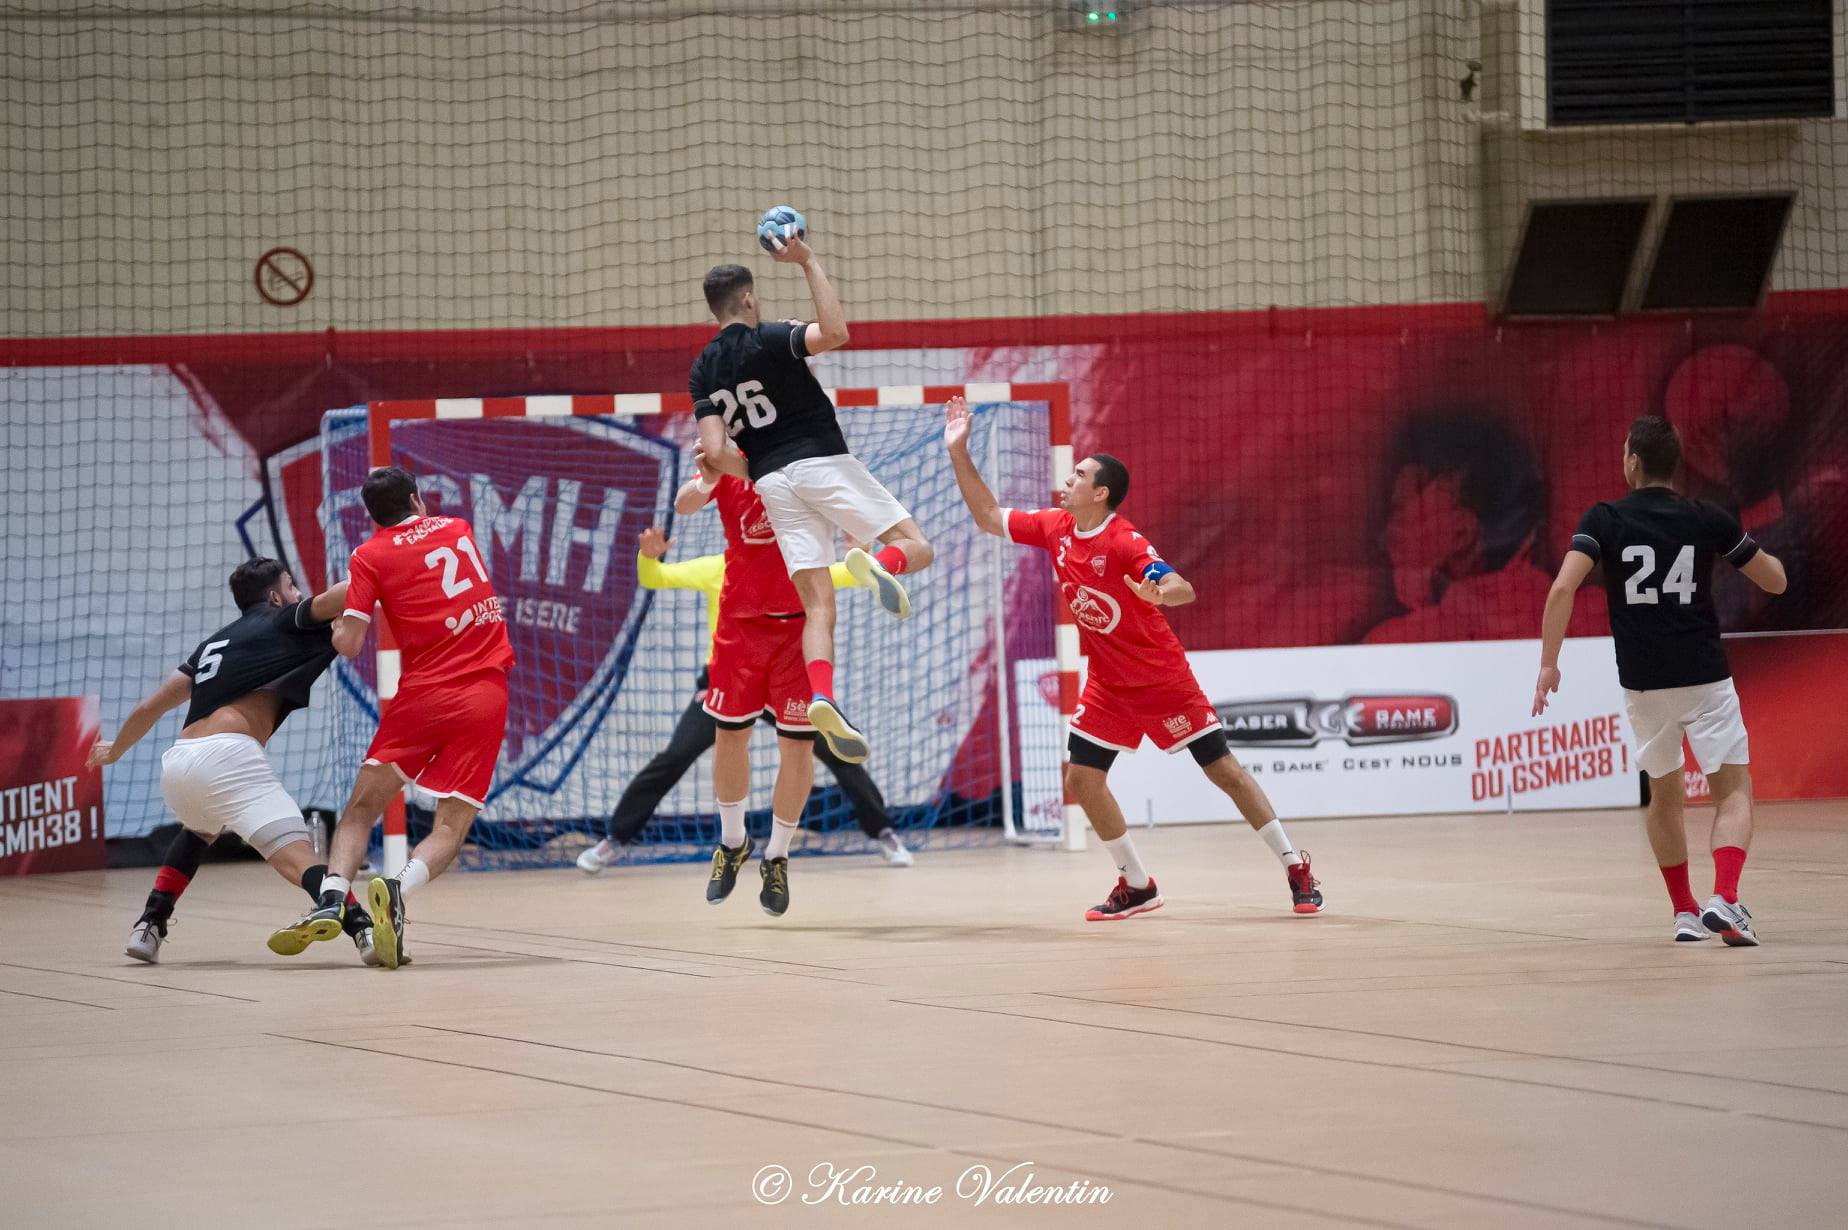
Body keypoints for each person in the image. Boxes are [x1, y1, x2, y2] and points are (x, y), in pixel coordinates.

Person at [943, 396, 1323, 920]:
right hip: (1108, 685)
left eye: (1079, 475)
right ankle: (1138, 884)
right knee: (1081, 779)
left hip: (1162, 678)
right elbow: (988, 517)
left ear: (1099, 493)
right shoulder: (1056, 529)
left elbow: (1180, 586)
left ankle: (1294, 865)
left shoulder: (1125, 542)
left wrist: (1161, 595)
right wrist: (958, 452)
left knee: (1225, 773)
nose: (1069, 479)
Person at [1534, 415, 1786, 946]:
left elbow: (1561, 590)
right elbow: (1776, 580)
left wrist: (1549, 665)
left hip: (1643, 682)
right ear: (1675, 465)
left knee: (1663, 795)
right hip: (1703, 675)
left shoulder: (1603, 519)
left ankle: (1685, 912)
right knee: (1733, 791)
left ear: (1632, 461)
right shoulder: (1704, 517)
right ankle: (1727, 899)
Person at [689, 229, 933, 764]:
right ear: (749, 298)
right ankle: (879, 562)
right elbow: (837, 331)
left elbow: (714, 454)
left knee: (818, 605)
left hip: (771, 484)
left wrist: (761, 465)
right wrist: (807, 261)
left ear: (713, 310)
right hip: (821, 460)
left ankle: (822, 696)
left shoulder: (702, 368)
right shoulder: (771, 337)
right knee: (916, 546)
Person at [279, 466, 514, 969]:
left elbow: (351, 643)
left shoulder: (369, 555)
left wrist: (338, 621)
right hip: (485, 694)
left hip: (421, 699)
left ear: (373, 516)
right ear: (416, 499)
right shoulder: (458, 528)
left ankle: (333, 896)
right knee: (451, 826)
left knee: (362, 808)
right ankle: (398, 887)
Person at [575, 527, 913, 875]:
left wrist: (862, 554)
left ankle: (884, 832)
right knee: (676, 755)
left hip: (786, 681)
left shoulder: (804, 570)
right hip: (730, 680)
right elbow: (656, 577)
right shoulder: (716, 568)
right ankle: (614, 839)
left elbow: (856, 576)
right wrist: (648, 555)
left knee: (839, 751)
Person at [87, 559, 376, 964]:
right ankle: (364, 929)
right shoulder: (285, 619)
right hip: (229, 759)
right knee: (301, 860)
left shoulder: (211, 646)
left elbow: (152, 705)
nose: (297, 594)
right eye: (292, 586)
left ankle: (149, 924)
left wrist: (115, 749)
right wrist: (388, 568)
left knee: (199, 829)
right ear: (275, 596)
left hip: (178, 767)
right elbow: (339, 595)